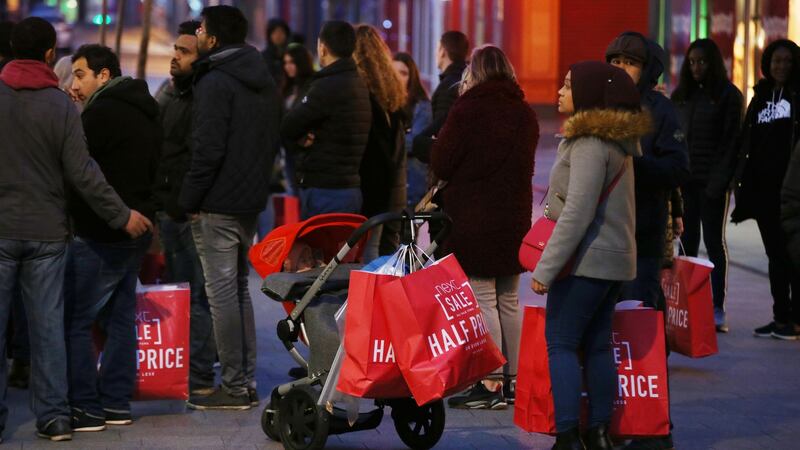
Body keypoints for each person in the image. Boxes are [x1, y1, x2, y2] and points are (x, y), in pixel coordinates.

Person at [0, 17, 151, 442]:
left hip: (2, 228)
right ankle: (54, 417)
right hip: (48, 233)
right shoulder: (60, 105)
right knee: (48, 326)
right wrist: (122, 215)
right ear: (51, 54)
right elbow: (84, 173)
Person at [531, 61, 647, 450]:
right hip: (615, 260)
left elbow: (577, 213)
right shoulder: (616, 142)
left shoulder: (589, 144)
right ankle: (598, 433)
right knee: (598, 345)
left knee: (561, 343)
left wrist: (545, 270)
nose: (559, 93)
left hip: (588, 261)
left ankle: (567, 436)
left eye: (566, 86)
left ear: (589, 95)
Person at [180, 5, 280, 410]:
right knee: (238, 290)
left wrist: (188, 200)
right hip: (250, 199)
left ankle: (235, 387)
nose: (198, 34)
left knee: (222, 294)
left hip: (218, 202)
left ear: (213, 40)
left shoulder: (215, 81)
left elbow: (207, 150)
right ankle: (247, 380)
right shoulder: (261, 77)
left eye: (201, 29)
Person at [431, 45, 539, 410]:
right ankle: (514, 381)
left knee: (483, 298)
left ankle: (490, 382)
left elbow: (442, 161)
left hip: (475, 219)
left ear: (474, 73)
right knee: (509, 298)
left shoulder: (467, 110)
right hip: (514, 220)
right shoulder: (525, 113)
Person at [65, 43, 160, 431]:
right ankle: (117, 403)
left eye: (80, 75)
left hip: (102, 231)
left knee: (78, 320)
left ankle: (86, 406)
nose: (73, 85)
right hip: (138, 228)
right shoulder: (147, 108)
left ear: (104, 75)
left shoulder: (100, 115)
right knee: (120, 318)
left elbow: (83, 175)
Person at [606, 30, 689, 450]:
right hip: (600, 240)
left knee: (641, 331)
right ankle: (609, 420)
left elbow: (678, 167)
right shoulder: (599, 105)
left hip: (641, 239)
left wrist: (635, 163)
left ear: (646, 69)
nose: (621, 70)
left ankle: (653, 426)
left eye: (629, 63)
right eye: (615, 62)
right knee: (605, 335)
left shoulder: (661, 110)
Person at [152, 20, 217, 397]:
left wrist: (185, 205)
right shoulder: (171, 91)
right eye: (175, 50)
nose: (175, 57)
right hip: (171, 208)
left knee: (197, 296)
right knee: (183, 292)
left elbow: (197, 157)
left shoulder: (201, 98)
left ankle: (202, 375)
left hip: (188, 211)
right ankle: (192, 368)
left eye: (184, 51)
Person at [671, 38, 744, 333]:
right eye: (691, 62)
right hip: (686, 183)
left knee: (714, 243)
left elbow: (732, 144)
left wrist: (720, 183)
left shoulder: (728, 96)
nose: (696, 66)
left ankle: (717, 307)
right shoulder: (681, 96)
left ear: (713, 62)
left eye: (701, 61)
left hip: (713, 183)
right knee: (687, 244)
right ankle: (689, 306)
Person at [732, 39, 800, 340]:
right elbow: (747, 142)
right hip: (762, 192)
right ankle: (780, 315)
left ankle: (796, 320)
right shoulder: (760, 98)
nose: (781, 66)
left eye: (787, 61)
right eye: (776, 60)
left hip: (790, 192)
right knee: (775, 256)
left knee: (793, 256)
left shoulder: (798, 97)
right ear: (767, 64)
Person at [280, 20, 372, 218]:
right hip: (350, 188)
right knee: (341, 249)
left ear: (322, 48)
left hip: (325, 190)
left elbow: (287, 126)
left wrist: (302, 138)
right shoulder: (358, 83)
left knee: (319, 249)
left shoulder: (326, 85)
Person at [354, 24, 407, 259]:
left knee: (362, 258)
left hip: (365, 190)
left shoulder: (359, 92)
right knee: (374, 254)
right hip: (388, 189)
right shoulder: (389, 93)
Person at [393, 52, 432, 208]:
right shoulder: (386, 104)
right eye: (393, 72)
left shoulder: (421, 106)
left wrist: (392, 139)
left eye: (403, 73)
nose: (397, 78)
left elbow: (414, 142)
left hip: (413, 186)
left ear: (412, 78)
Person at [262, 17, 290, 88]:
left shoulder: (290, 54)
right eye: (274, 32)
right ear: (269, 35)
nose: (278, 35)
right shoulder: (263, 56)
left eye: (281, 32)